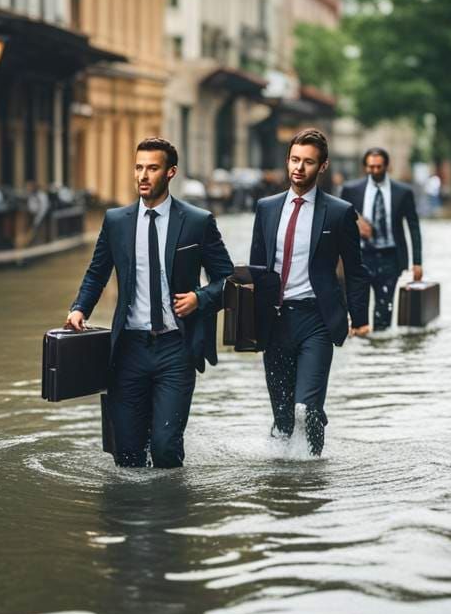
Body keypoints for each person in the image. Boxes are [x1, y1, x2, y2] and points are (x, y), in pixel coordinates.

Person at [66, 138, 233, 468]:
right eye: (139, 167)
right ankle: (130, 516)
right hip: (128, 349)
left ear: (170, 173)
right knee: (127, 453)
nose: (143, 175)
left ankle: (169, 514)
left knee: (165, 448)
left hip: (176, 348)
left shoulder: (198, 222)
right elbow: (97, 273)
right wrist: (79, 308)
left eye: (152, 168)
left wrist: (200, 298)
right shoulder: (116, 221)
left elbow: (228, 279)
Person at [250, 128, 370, 456]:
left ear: (323, 166)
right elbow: (256, 268)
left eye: (308, 162)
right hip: (274, 322)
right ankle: (282, 477)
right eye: (294, 160)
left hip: (316, 319)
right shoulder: (266, 207)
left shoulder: (339, 212)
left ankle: (312, 475)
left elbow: (356, 270)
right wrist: (248, 322)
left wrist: (359, 317)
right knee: (285, 419)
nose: (299, 168)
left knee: (309, 410)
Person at [339, 147, 423, 332]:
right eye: (371, 167)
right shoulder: (350, 190)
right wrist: (355, 225)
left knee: (384, 310)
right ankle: (364, 352)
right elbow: (337, 221)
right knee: (357, 310)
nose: (375, 171)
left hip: (390, 257)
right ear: (365, 167)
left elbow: (413, 227)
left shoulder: (403, 192)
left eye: (379, 167)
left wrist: (417, 262)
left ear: (387, 166)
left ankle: (380, 351)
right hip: (359, 257)